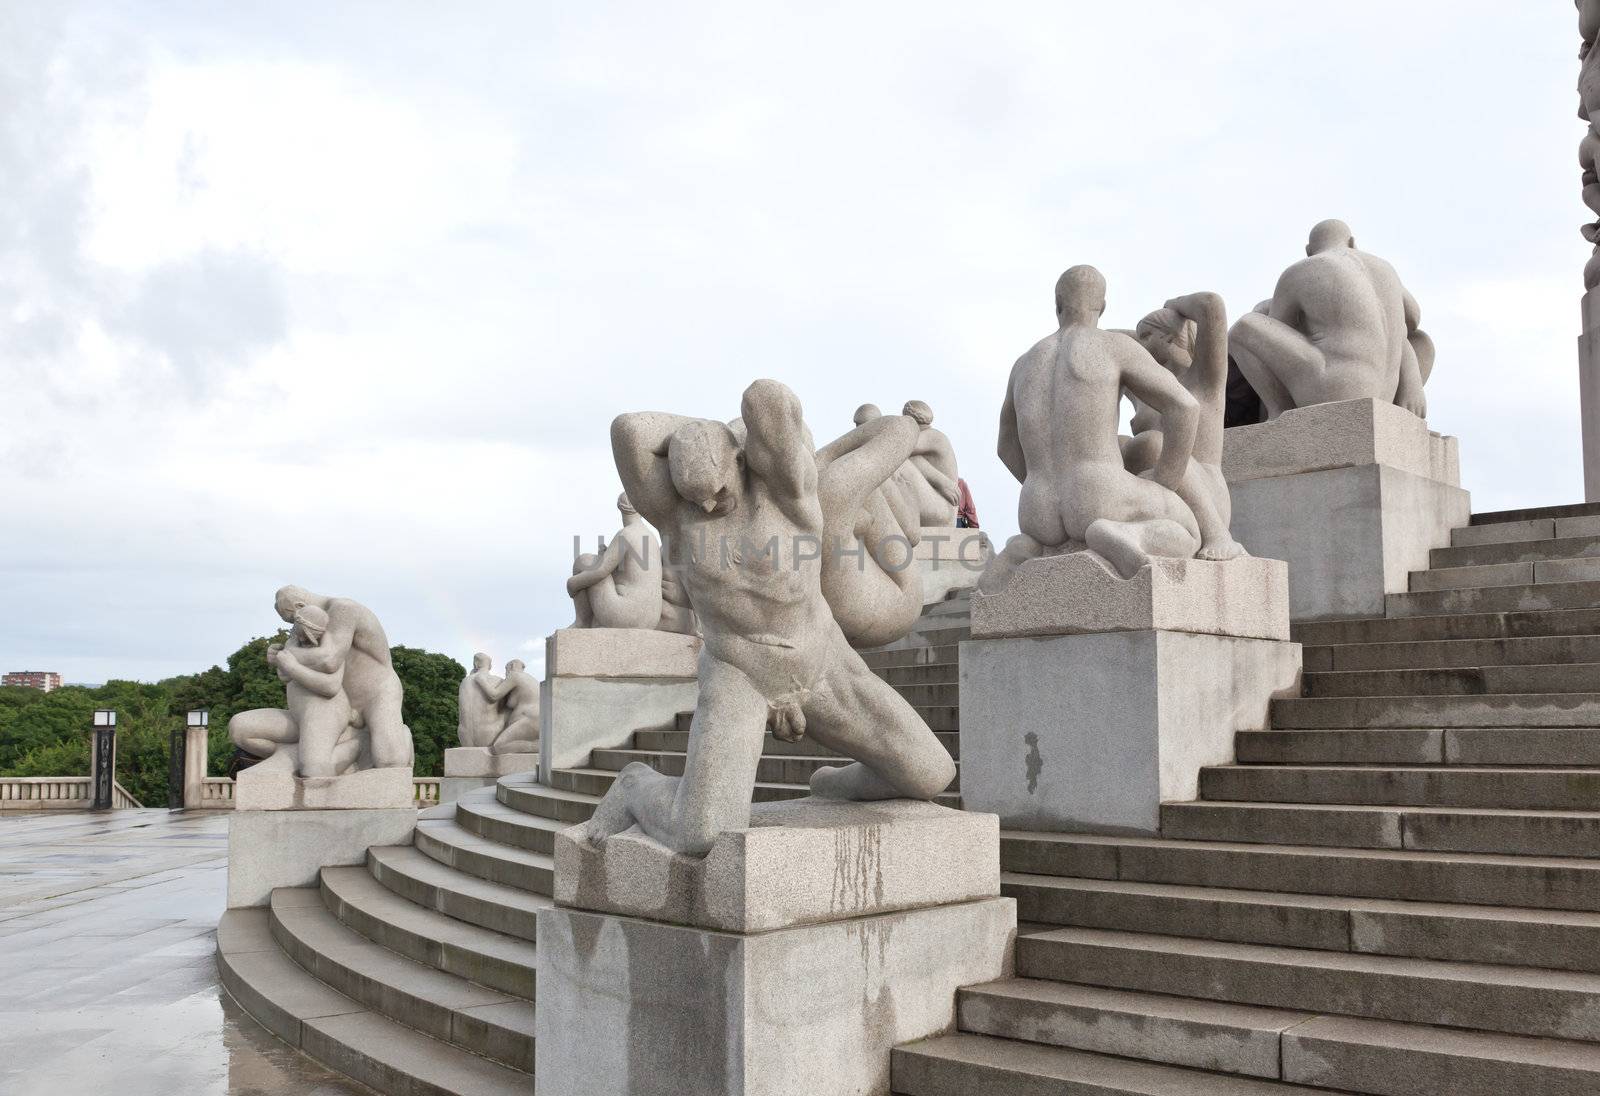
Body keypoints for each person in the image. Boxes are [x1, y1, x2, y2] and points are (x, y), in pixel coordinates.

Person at [587, 379, 956, 856]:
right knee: (699, 833)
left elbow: (768, 400)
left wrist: (729, 437)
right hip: (737, 673)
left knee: (931, 773)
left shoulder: (791, 497)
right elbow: (629, 429)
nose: (705, 505)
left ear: (740, 462)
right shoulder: (674, 516)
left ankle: (833, 783)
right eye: (692, 495)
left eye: (716, 491)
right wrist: (699, 441)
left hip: (822, 663)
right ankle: (637, 785)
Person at [981, 265, 1201, 590]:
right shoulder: (1112, 346)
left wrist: (1045, 483)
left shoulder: (1024, 363)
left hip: (1035, 505)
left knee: (1039, 536)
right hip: (1099, 493)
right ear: (1103, 306)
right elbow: (1185, 406)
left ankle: (1026, 547)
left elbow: (1005, 445)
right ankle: (1124, 534)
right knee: (1189, 529)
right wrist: (1164, 480)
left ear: (1057, 304)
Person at [1228, 220, 1431, 420]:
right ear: (1352, 242)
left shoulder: (1302, 270)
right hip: (1385, 393)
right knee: (1397, 331)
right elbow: (1413, 319)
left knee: (1244, 328)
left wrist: (1265, 307)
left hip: (1335, 388)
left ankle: (1279, 411)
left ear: (1309, 250)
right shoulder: (1387, 270)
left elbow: (1277, 330)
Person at [1124, 292, 1245, 562]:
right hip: (1160, 489)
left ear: (1169, 337)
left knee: (1153, 442)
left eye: (1145, 337)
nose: (1138, 345)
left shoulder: (1204, 379)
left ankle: (1218, 535)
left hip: (1207, 495)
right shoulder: (1144, 391)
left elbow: (1211, 306)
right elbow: (1109, 342)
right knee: (1124, 445)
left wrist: (1170, 311)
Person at [567, 493, 664, 630]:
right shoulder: (651, 537)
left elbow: (601, 571)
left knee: (585, 561)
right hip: (652, 619)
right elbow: (634, 575)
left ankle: (582, 622)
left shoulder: (626, 534)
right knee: (595, 563)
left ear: (620, 507)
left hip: (625, 614)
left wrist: (573, 584)